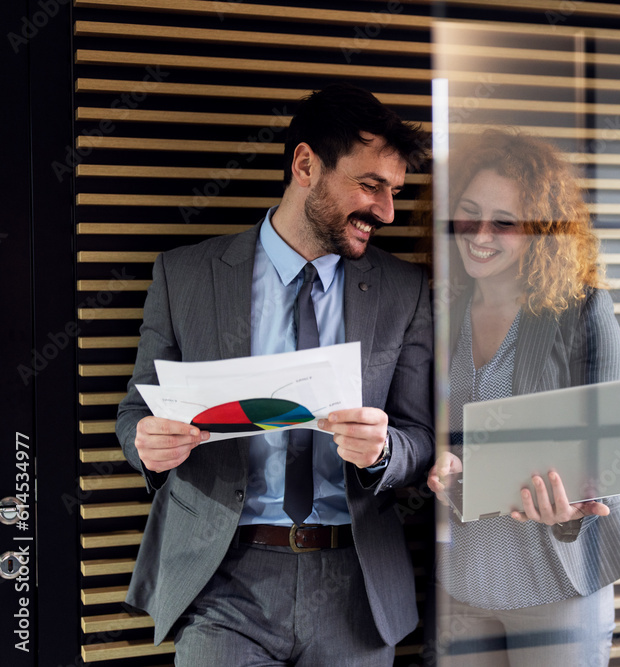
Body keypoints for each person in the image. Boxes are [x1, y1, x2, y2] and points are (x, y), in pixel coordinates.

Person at [116, 82, 434, 666]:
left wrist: (386, 449)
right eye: (371, 186)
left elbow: (421, 437)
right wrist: (147, 445)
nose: (386, 212)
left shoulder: (405, 289)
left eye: (394, 192)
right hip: (223, 579)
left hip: (355, 586)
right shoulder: (186, 276)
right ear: (306, 164)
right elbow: (136, 411)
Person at [426, 130, 620, 666]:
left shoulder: (583, 312)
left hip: (559, 584)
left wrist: (572, 509)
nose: (479, 234)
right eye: (469, 213)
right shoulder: (435, 312)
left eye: (504, 222)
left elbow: (616, 456)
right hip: (462, 582)